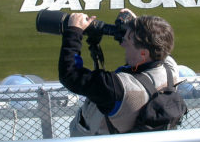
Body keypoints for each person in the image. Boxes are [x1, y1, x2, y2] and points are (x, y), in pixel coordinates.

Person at [58, 8, 180, 136]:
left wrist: (74, 31)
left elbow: (70, 74)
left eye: (127, 40)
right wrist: (137, 24)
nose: (122, 44)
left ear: (144, 53)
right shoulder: (170, 69)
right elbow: (156, 40)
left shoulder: (117, 88)